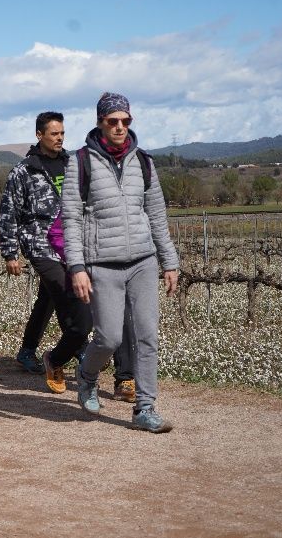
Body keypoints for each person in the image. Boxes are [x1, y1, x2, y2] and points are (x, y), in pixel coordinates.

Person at [62, 92, 179, 433]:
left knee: (146, 337)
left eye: (125, 121)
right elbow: (70, 218)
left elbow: (156, 214)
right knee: (109, 338)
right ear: (100, 122)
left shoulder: (143, 161)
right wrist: (77, 268)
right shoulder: (80, 162)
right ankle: (86, 376)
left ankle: (145, 408)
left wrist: (169, 261)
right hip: (102, 263)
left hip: (143, 259)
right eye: (113, 121)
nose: (120, 127)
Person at [0, 112, 92, 394]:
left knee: (47, 299)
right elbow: (8, 212)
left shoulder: (72, 164)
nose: (60, 138)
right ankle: (80, 349)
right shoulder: (23, 171)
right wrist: (10, 252)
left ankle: (27, 351)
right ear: (39, 135)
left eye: (62, 133)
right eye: (54, 134)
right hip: (39, 243)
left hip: (71, 242)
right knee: (65, 291)